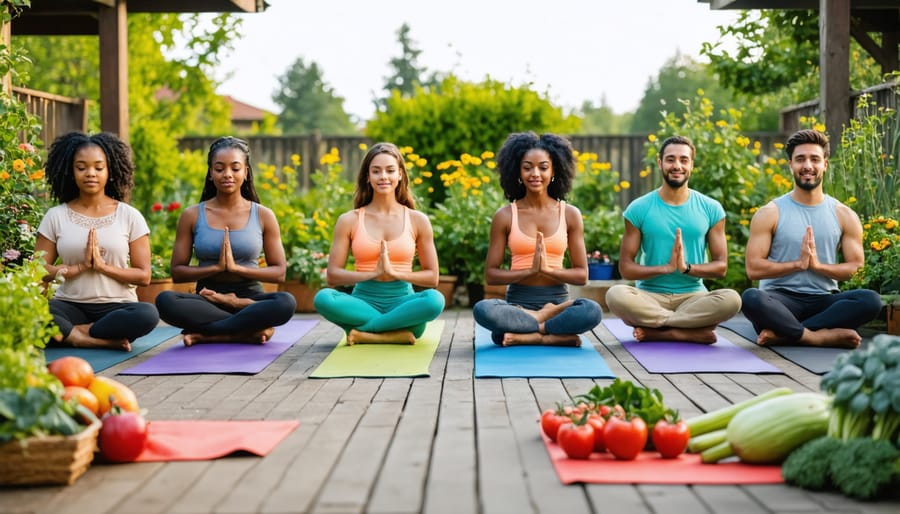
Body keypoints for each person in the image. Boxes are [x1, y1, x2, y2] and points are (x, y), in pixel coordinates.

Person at [741, 129, 882, 348]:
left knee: (870, 300)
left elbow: (856, 267)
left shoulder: (844, 215)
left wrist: (817, 266)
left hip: (823, 299)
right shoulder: (770, 212)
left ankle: (788, 332)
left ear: (825, 164)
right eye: (800, 159)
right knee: (751, 298)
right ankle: (818, 336)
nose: (808, 165)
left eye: (814, 159)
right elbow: (753, 269)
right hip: (780, 301)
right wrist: (798, 264)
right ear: (790, 165)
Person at [155, 136, 296, 346]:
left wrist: (237, 271)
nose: (227, 174)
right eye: (219, 168)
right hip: (208, 298)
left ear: (246, 172)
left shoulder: (263, 215)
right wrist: (216, 268)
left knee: (286, 303)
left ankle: (214, 333)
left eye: (235, 168)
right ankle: (246, 331)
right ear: (211, 173)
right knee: (164, 301)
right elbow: (177, 272)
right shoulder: (192, 215)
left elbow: (279, 272)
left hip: (249, 301)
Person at [605, 135, 741, 343]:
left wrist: (686, 267)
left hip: (693, 297)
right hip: (650, 296)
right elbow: (626, 268)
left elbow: (720, 267)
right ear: (660, 163)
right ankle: (689, 330)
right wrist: (665, 268)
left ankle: (660, 331)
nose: (677, 165)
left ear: (691, 165)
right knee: (615, 295)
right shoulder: (639, 208)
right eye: (670, 159)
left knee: (732, 300)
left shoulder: (711, 208)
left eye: (683, 160)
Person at [472, 132, 602, 346]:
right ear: (518, 171)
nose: (535, 173)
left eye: (543, 167)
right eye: (527, 167)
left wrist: (547, 270)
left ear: (554, 171)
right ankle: (551, 333)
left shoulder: (570, 214)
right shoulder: (505, 216)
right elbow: (491, 275)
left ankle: (532, 332)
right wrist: (530, 271)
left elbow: (581, 275)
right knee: (483, 310)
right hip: (518, 304)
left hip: (558, 302)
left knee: (592, 311)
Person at [36, 132, 160, 351]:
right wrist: (77, 268)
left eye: (98, 167)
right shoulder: (56, 216)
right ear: (70, 171)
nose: (90, 174)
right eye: (81, 167)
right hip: (69, 305)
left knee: (147, 314)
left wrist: (102, 267)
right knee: (37, 312)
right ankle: (91, 339)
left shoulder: (129, 215)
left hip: (117, 307)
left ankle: (73, 333)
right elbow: (39, 270)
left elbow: (144, 275)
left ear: (109, 170)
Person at [313, 142, 444, 345]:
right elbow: (333, 276)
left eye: (390, 170)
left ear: (400, 174)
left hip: (403, 305)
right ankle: (393, 333)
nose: (383, 176)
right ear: (368, 176)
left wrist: (394, 273)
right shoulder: (350, 220)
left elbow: (432, 277)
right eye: (376, 171)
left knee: (434, 300)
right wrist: (373, 273)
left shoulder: (417, 220)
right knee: (323, 298)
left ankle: (365, 333)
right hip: (362, 303)